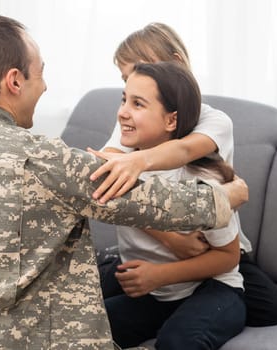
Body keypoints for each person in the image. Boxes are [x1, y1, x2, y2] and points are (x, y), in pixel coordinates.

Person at [0, 15, 248, 349]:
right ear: (15, 81)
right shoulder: (47, 162)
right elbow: (155, 201)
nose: (46, 86)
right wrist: (230, 193)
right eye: (41, 72)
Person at [89, 22, 277, 328]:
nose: (137, 82)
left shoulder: (213, 121)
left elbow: (183, 151)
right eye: (127, 81)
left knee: (275, 312)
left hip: (211, 246)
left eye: (144, 70)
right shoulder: (133, 123)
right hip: (161, 245)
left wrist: (136, 163)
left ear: (176, 62)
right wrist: (171, 238)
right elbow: (109, 172)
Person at [104, 61, 245, 349]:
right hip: (155, 295)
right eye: (123, 100)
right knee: (83, 326)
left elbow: (228, 257)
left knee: (177, 342)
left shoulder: (201, 179)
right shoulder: (118, 166)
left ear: (171, 121)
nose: (122, 112)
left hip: (211, 288)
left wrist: (157, 276)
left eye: (138, 104)